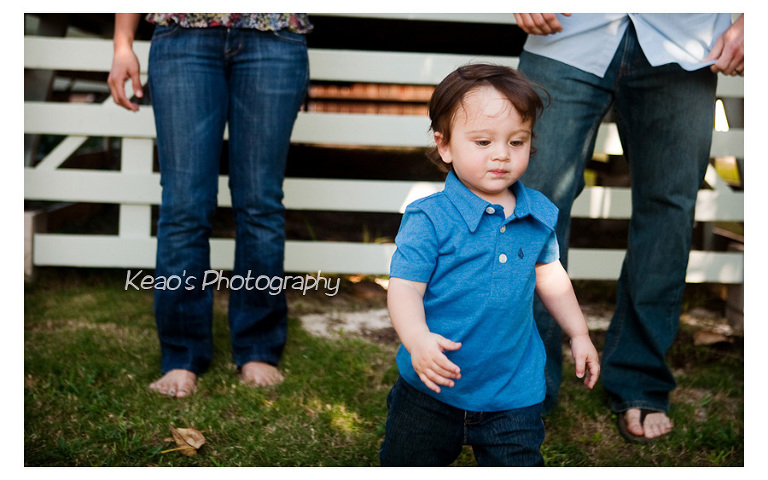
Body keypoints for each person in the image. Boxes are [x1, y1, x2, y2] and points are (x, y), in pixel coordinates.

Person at [513, 13, 744, 441]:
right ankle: (524, 384)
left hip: (687, 40)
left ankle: (640, 380)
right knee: (532, 205)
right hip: (566, 30)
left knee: (668, 209)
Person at [378, 64, 600, 466]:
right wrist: (417, 339)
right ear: (445, 146)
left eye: (517, 141)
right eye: (482, 141)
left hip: (512, 392)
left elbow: (551, 277)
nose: (501, 154)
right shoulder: (429, 218)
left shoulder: (537, 214)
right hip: (431, 390)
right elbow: (405, 287)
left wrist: (578, 333)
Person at [107, 13, 311, 397]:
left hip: (275, 36)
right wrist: (123, 45)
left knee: (260, 205)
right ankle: (182, 354)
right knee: (184, 205)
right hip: (183, 35)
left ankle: (257, 347)